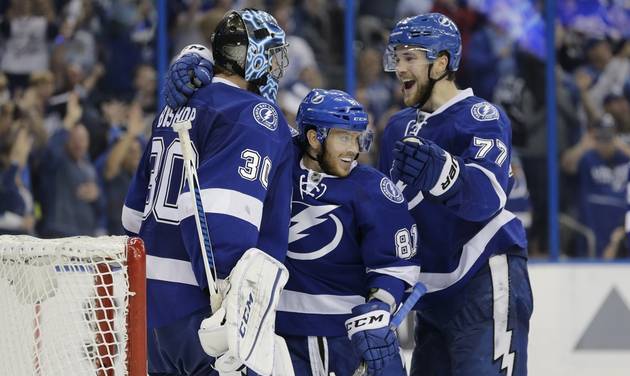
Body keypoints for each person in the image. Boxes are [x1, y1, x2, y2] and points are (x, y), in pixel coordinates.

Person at [122, 9, 294, 376]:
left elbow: (132, 215)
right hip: (202, 309)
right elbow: (219, 217)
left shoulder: (175, 106)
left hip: (147, 306)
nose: (276, 69)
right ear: (254, 56)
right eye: (273, 55)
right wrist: (234, 306)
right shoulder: (253, 113)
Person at [378, 13, 531, 376]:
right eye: (396, 58)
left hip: (484, 280)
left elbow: (489, 197)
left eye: (410, 57)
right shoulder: (397, 127)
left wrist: (444, 172)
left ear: (441, 63)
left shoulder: (481, 117)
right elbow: (387, 212)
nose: (399, 68)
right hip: (431, 297)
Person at [276, 89, 420, 375]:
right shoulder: (281, 167)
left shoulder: (372, 188)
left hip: (349, 336)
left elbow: (397, 265)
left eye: (357, 138)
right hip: (279, 336)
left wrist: (380, 305)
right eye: (344, 137)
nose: (353, 149)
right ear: (314, 138)